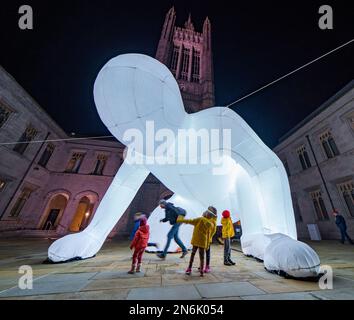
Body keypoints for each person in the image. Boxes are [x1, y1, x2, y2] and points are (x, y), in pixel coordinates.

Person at [177, 207, 215, 277]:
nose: (203, 212)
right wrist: (207, 244)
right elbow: (210, 233)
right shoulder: (210, 223)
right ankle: (201, 271)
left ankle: (189, 268)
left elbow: (190, 221)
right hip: (203, 241)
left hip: (196, 240)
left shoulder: (200, 219)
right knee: (202, 257)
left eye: (204, 212)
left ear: (206, 214)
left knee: (193, 254)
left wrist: (181, 219)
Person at [204, 206, 217, 273]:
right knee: (202, 253)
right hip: (203, 239)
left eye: (209, 210)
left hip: (208, 239)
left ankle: (207, 266)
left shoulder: (213, 221)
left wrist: (209, 237)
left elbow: (213, 231)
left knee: (207, 253)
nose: (207, 211)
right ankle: (202, 264)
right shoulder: (206, 218)